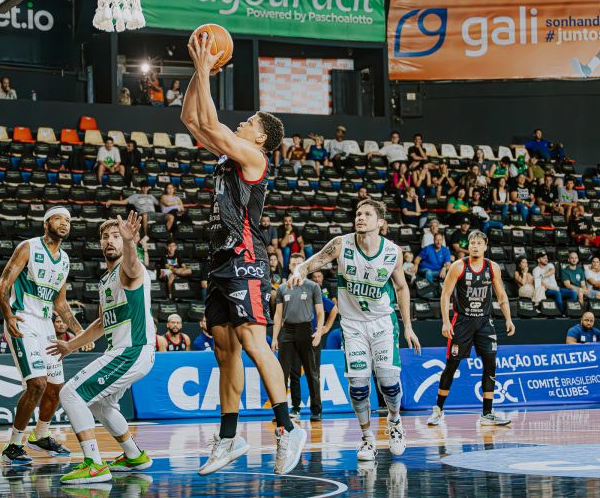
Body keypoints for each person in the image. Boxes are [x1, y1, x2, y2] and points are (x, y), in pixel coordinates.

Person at [180, 31, 305, 475]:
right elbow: (192, 120)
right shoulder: (227, 155)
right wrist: (202, 75)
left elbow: (211, 126)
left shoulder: (254, 160)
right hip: (219, 262)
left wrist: (203, 67)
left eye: (251, 120)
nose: (244, 122)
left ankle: (289, 428)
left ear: (262, 139)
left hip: (246, 258)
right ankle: (229, 439)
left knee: (252, 339)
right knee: (225, 351)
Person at [288, 199, 421, 461]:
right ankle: (368, 439)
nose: (360, 217)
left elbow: (402, 288)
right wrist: (299, 271)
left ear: (380, 223)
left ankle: (395, 422)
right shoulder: (342, 244)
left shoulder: (393, 251)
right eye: (358, 213)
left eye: (367, 214)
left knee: (388, 383)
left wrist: (408, 327)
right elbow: (313, 262)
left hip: (383, 321)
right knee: (359, 386)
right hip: (352, 325)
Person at [49, 213, 157, 484]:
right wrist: (71, 346)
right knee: (100, 405)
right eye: (106, 237)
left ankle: (94, 464)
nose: (110, 241)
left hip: (132, 350)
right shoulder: (105, 280)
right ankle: (134, 455)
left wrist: (131, 243)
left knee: (70, 393)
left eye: (116, 236)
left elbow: (132, 265)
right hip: (120, 352)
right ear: (100, 243)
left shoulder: (129, 270)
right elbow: (101, 322)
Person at [0, 207, 85, 465]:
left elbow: (61, 303)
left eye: (68, 220)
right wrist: (8, 315)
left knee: (56, 388)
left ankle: (41, 435)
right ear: (46, 223)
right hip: (22, 319)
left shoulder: (65, 259)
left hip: (46, 324)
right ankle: (13, 444)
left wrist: (79, 331)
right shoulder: (29, 247)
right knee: (37, 385)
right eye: (59, 218)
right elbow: (3, 284)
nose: (65, 223)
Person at [427, 231, 516, 427]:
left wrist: (509, 319)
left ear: (485, 246)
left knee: (491, 365)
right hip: (462, 322)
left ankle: (487, 413)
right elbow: (445, 295)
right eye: (472, 243)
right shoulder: (459, 267)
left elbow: (501, 296)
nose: (475, 246)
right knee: (452, 366)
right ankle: (438, 410)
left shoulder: (492, 268)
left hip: (485, 322)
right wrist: (445, 321)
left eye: (479, 243)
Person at [272, 253, 326, 421]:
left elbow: (320, 311)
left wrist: (318, 331)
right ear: (289, 266)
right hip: (287, 332)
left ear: (305, 267)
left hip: (306, 331)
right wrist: (274, 338)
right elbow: (278, 315)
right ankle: (290, 410)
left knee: (311, 372)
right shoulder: (282, 288)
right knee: (284, 374)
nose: (296, 266)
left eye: (299, 264)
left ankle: (316, 410)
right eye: (293, 263)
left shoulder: (312, 287)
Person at [532, 250, 577, 315]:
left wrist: (543, 275)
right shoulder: (536, 270)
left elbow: (552, 271)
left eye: (546, 258)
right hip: (547, 290)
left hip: (556, 288)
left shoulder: (550, 265)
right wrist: (552, 288)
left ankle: (572, 312)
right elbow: (539, 283)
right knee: (557, 293)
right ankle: (562, 313)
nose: (546, 259)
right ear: (538, 260)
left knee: (573, 293)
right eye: (544, 258)